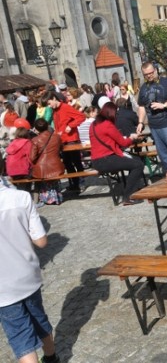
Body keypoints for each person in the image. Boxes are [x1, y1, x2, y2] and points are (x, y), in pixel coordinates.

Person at [0, 178, 60, 363]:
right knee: (39, 319)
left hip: (3, 287)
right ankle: (51, 358)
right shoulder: (21, 197)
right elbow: (41, 241)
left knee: (20, 337)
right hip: (27, 274)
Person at [90, 102, 145, 206]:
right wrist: (132, 138)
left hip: (97, 160)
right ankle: (128, 196)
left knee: (135, 160)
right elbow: (123, 143)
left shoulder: (93, 124)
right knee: (138, 165)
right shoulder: (107, 125)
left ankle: (132, 187)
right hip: (106, 159)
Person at [136, 62, 167, 174]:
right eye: (146, 74)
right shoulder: (143, 87)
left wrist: (164, 105)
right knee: (164, 156)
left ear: (156, 70)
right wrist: (140, 122)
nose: (149, 76)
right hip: (154, 126)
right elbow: (141, 106)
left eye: (151, 73)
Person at [43, 91, 85, 192]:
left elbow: (81, 117)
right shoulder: (54, 110)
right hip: (62, 140)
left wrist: (71, 126)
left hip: (71, 140)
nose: (49, 106)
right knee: (67, 163)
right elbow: (58, 126)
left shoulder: (66, 107)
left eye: (49, 103)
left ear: (53, 98)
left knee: (77, 162)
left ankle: (81, 182)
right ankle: (74, 184)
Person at [30, 119, 64, 206]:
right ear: (47, 126)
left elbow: (32, 158)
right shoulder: (57, 137)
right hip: (56, 166)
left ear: (36, 129)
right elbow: (61, 148)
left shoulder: (35, 140)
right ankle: (56, 197)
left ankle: (46, 198)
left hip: (42, 169)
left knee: (37, 174)